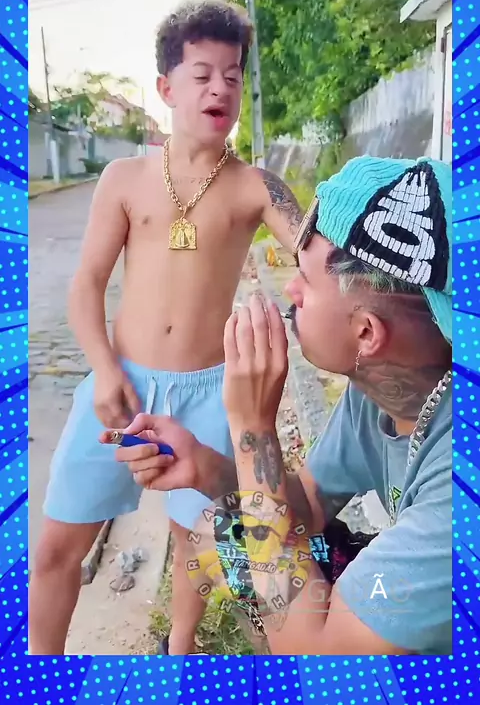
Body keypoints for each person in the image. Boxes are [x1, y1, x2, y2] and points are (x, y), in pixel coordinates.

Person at [29, 0, 305, 656]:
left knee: (195, 543)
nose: (220, 89)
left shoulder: (255, 187)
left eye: (232, 76)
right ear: (166, 87)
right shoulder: (123, 179)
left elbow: (316, 249)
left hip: (211, 394)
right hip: (121, 388)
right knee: (56, 547)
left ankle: (179, 651)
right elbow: (86, 285)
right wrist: (102, 369)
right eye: (202, 74)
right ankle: (40, 670)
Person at [112, 155, 453, 655]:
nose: (290, 290)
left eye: (306, 281)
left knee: (296, 622)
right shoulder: (379, 393)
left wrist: (252, 426)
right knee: (227, 532)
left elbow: (313, 650)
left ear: (366, 333)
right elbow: (307, 506)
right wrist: (206, 467)